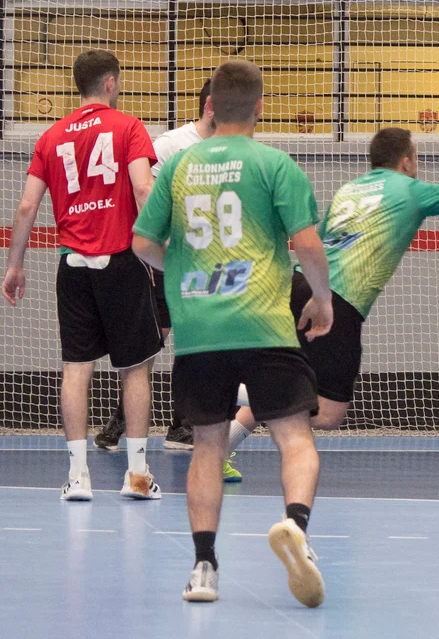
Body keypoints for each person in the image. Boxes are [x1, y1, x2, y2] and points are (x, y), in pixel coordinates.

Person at [132, 59, 333, 606]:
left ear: (211, 106)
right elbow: (308, 245)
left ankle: (204, 568)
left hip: (201, 328)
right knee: (295, 436)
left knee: (207, 446)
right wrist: (321, 299)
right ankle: (296, 526)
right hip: (265, 323)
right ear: (260, 107)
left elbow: (142, 243)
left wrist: (182, 266)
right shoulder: (275, 164)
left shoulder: (178, 166)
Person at [223, 126, 439, 470]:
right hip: (336, 302)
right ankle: (238, 388)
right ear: (407, 161)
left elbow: (320, 244)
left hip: (297, 286)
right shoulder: (412, 189)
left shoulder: (349, 190)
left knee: (288, 385)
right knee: (328, 413)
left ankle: (220, 451)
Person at [2, 49, 164, 500]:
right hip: (121, 261)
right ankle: (137, 478)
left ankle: (77, 478)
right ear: (110, 83)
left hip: (72, 266)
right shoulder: (128, 127)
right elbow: (144, 187)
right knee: (134, 370)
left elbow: (26, 206)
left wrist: (14, 266)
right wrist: (164, 246)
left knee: (75, 368)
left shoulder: (51, 136)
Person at [95, 79, 216, 452]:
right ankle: (121, 420)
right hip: (165, 258)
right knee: (152, 339)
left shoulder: (232, 150)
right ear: (211, 105)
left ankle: (182, 424)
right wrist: (158, 246)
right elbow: (144, 196)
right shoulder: (170, 145)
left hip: (206, 261)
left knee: (197, 340)